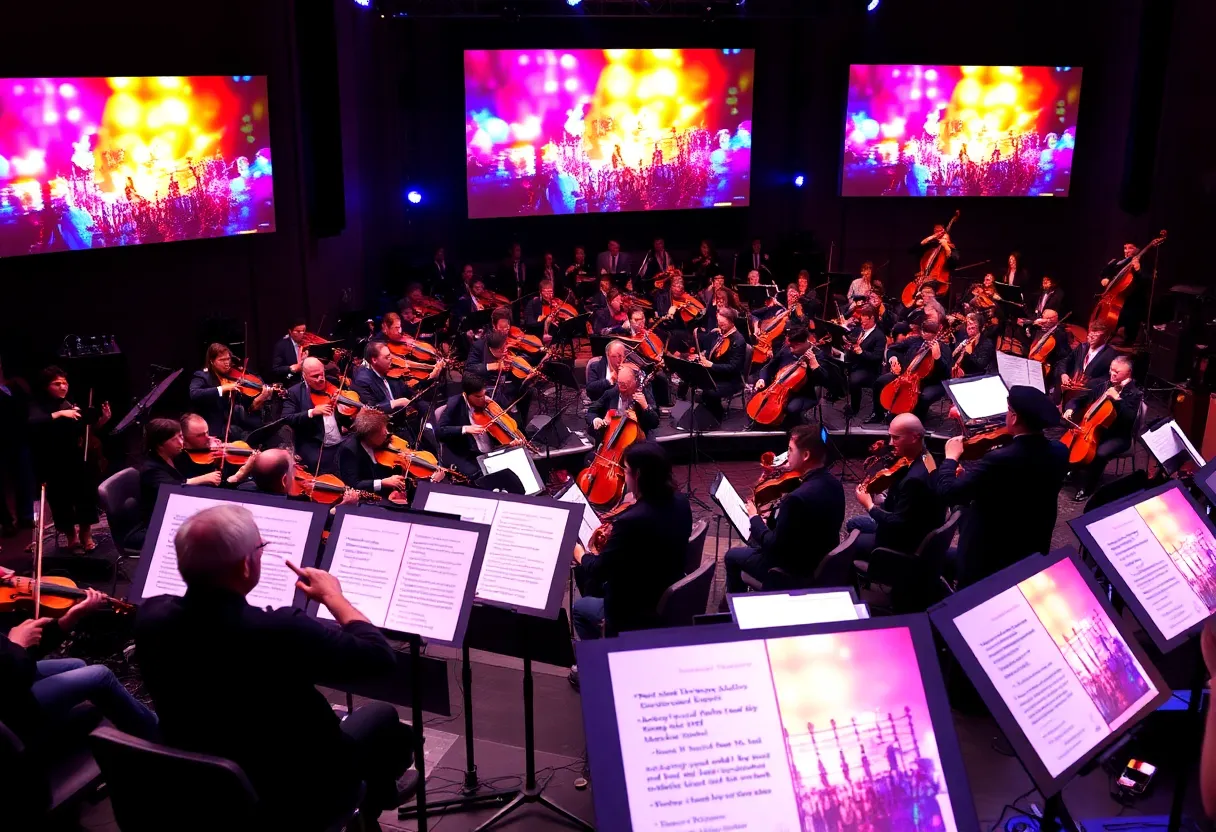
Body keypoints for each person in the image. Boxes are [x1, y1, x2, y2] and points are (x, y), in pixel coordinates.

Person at [135, 505, 417, 830]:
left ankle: (374, 795)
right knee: (384, 717)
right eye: (260, 548)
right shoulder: (279, 631)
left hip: (201, 783)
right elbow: (379, 658)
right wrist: (332, 596)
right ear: (245, 565)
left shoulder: (151, 617)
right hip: (294, 795)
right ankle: (372, 798)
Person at [1, 573, 158, 822]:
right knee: (100, 675)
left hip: (13, 673)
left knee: (75, 664)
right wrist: (17, 646)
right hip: (11, 708)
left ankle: (65, 729)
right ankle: (157, 734)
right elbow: (12, 679)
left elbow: (30, 656)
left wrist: (74, 615)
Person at [931, 385, 1068, 587]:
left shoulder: (999, 460)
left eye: (1008, 411)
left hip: (989, 553)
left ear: (1014, 418)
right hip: (1032, 545)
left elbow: (949, 492)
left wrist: (950, 459)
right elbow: (1016, 486)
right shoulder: (1060, 451)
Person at [571, 442, 691, 640]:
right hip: (666, 587)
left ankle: (602, 656)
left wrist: (580, 554)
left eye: (626, 470)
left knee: (581, 607)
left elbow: (600, 570)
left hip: (635, 609)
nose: (623, 477)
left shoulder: (631, 521)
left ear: (639, 476)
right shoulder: (680, 502)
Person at [821, 415, 943, 588]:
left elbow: (898, 522)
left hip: (902, 541)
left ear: (915, 436)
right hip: (919, 525)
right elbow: (915, 504)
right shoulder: (928, 458)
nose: (891, 443)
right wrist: (885, 499)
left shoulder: (915, 479)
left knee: (846, 548)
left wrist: (869, 505)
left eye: (896, 437)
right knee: (854, 522)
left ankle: (854, 590)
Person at [724, 426, 844, 592]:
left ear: (806, 455)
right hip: (817, 557)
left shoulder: (796, 499)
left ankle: (732, 610)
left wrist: (754, 517)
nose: (787, 455)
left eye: (790, 450)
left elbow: (773, 546)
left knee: (732, 555)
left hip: (792, 570)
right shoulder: (835, 484)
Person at [28, 367, 110, 553]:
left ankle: (86, 534)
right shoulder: (38, 404)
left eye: (65, 383)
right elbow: (32, 422)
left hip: (77, 458)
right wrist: (58, 415)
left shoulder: (68, 403)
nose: (63, 386)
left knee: (86, 496)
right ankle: (71, 537)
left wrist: (102, 420)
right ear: (45, 386)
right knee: (61, 500)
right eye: (57, 384)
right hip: (53, 461)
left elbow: (85, 430)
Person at [128, 418, 224, 549]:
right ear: (160, 445)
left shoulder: (175, 456)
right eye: (175, 439)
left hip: (172, 512)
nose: (181, 443)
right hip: (155, 522)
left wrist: (207, 444)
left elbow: (197, 466)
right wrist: (203, 478)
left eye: (181, 437)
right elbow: (174, 489)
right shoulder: (151, 469)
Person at [1064, 355, 1143, 502]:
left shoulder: (1135, 393)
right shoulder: (1104, 385)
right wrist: (1070, 408)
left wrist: (1118, 400)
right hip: (1095, 429)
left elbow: (1128, 420)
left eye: (1117, 372)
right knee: (1069, 440)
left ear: (1128, 373)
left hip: (1118, 436)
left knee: (1100, 453)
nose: (1112, 374)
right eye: (1111, 370)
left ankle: (1087, 487)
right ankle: (1071, 470)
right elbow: (1081, 399)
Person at [187, 344, 271, 440]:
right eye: (222, 360)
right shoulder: (202, 376)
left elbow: (246, 409)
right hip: (216, 428)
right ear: (212, 361)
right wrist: (222, 388)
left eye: (228, 359)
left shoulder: (233, 376)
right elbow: (194, 394)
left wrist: (259, 400)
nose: (227, 363)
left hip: (236, 427)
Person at [282, 357, 347, 475]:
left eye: (322, 374)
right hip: (314, 445)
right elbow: (287, 418)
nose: (320, 379)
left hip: (341, 442)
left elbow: (348, 415)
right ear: (304, 375)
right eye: (315, 376)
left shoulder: (335, 384)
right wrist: (312, 412)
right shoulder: (294, 392)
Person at [751, 327, 826, 427]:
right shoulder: (786, 350)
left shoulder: (818, 356)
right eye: (789, 346)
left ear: (801, 343)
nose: (790, 349)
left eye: (793, 347)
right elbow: (768, 367)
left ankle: (793, 430)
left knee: (791, 408)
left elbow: (823, 379)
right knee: (758, 397)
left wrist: (811, 367)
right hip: (779, 387)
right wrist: (762, 379)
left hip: (804, 393)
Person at [336, 409, 408, 497]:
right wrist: (382, 483)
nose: (386, 433)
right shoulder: (349, 450)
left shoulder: (385, 440)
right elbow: (353, 484)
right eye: (382, 432)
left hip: (390, 493)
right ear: (370, 437)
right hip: (369, 499)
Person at [0, 357, 34, 537]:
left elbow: (27, 408)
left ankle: (26, 517)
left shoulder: (15, 385)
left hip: (19, 439)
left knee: (24, 477)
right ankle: (5, 521)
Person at [694, 308, 747, 422]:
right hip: (717, 375)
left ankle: (716, 417)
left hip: (731, 380)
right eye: (719, 322)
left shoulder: (738, 341)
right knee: (694, 379)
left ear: (731, 322)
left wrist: (711, 365)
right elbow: (711, 351)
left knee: (710, 392)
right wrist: (703, 356)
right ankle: (705, 414)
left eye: (723, 324)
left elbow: (733, 367)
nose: (720, 326)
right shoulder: (720, 334)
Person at [586, 364, 659, 438]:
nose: (622, 390)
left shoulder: (644, 394)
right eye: (620, 384)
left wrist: (646, 407)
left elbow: (655, 423)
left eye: (626, 386)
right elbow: (592, 411)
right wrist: (596, 419)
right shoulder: (611, 393)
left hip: (638, 438)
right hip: (614, 436)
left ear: (634, 382)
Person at [1099, 241, 1147, 343]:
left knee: (1123, 335)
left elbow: (1146, 281)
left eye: (1130, 248)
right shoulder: (1119, 262)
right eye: (1125, 248)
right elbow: (1105, 271)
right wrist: (1105, 278)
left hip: (1131, 303)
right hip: (1115, 298)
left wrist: (1138, 270)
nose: (1126, 251)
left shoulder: (1143, 263)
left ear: (1138, 249)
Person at [846, 304, 886, 417]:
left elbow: (877, 357)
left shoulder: (879, 336)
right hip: (856, 363)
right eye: (861, 320)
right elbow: (852, 343)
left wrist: (861, 352)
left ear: (872, 318)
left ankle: (855, 408)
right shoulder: (859, 330)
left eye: (865, 321)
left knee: (854, 380)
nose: (862, 323)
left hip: (869, 369)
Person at [1060, 322, 1115, 391]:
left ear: (1105, 337)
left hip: (1089, 393)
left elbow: (1109, 377)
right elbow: (1064, 361)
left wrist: (1089, 383)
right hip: (1071, 390)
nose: (1090, 338)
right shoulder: (1082, 347)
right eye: (1090, 334)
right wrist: (1063, 374)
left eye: (1095, 336)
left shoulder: (1110, 354)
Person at [952, 312, 997, 377]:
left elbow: (981, 365)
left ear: (979, 326)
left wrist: (969, 354)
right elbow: (953, 357)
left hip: (974, 377)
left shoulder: (986, 342)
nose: (970, 327)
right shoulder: (965, 341)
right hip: (958, 376)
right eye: (968, 326)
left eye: (973, 325)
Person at [270, 318, 310, 383]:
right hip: (291, 379)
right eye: (298, 331)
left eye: (304, 330)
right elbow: (276, 369)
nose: (302, 334)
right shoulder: (281, 346)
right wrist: (290, 368)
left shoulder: (309, 343)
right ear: (290, 331)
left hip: (309, 380)